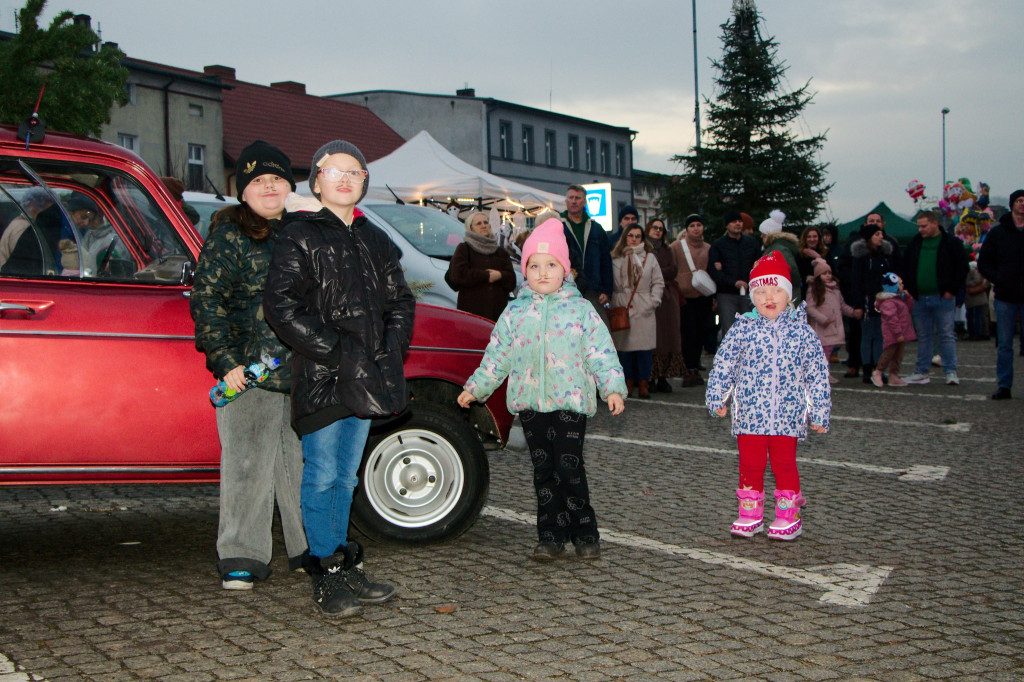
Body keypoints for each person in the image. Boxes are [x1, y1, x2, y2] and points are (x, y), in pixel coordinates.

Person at [264, 140, 414, 618]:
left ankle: (345, 566)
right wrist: (339, 352)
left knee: (346, 477)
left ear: (364, 182)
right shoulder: (300, 235)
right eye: (335, 170)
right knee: (323, 474)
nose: (346, 178)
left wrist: (387, 351)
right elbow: (281, 306)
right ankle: (326, 573)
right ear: (317, 181)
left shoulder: (376, 239)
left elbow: (400, 302)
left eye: (355, 171)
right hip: (325, 376)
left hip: (367, 378)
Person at [457, 218, 626, 561]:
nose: (543, 272)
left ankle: (584, 532)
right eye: (534, 265)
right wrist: (476, 388)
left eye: (551, 265)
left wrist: (611, 388)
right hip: (531, 403)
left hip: (570, 402)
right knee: (543, 473)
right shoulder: (515, 312)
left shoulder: (581, 311)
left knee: (569, 468)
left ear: (565, 270)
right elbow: (497, 355)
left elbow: (601, 352)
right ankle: (550, 536)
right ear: (525, 270)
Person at [190, 141, 308, 591]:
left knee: (299, 464)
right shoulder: (229, 234)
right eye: (258, 180)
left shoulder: (303, 231)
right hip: (249, 373)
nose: (269, 186)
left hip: (299, 371)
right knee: (245, 465)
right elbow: (208, 302)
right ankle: (242, 554)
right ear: (242, 190)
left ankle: (308, 549)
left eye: (277, 178)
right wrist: (225, 362)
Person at [705, 251, 831, 541]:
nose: (768, 297)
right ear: (752, 296)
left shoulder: (802, 333)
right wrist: (717, 398)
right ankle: (751, 513)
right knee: (750, 464)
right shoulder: (742, 329)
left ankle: (790, 515)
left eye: (776, 290)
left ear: (788, 295)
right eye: (760, 291)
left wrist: (819, 411)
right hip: (750, 415)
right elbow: (724, 365)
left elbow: (816, 374)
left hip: (787, 415)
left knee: (784, 464)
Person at [901, 210, 969, 386]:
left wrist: (952, 290)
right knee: (924, 335)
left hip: (943, 296)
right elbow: (906, 266)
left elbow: (962, 267)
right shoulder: (916, 243)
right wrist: (909, 288)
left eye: (924, 226)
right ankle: (921, 371)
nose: (921, 229)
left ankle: (950, 371)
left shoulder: (951, 243)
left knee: (946, 333)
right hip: (920, 297)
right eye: (919, 226)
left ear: (934, 223)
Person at [977, 188, 1024, 399]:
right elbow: (983, 262)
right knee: (1004, 344)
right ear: (1013, 204)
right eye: (1020, 201)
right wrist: (999, 278)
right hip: (1005, 295)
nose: (1023, 204)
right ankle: (1004, 386)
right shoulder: (998, 233)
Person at [610, 223, 664, 399]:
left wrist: (653, 301)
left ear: (643, 238)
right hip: (622, 305)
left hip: (643, 305)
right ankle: (627, 382)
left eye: (637, 236)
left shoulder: (650, 258)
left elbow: (658, 282)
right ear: (625, 237)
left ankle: (643, 383)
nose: (634, 239)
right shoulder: (615, 258)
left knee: (644, 350)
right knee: (623, 349)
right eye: (630, 235)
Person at [559, 184, 614, 327]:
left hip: (593, 290)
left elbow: (606, 261)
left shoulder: (596, 228)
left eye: (577, 198)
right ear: (566, 201)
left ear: (584, 202)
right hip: (566, 290)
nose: (574, 201)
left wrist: (607, 290)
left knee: (598, 331)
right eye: (571, 197)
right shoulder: (558, 225)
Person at [447, 211, 516, 322]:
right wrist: (486, 275)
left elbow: (512, 281)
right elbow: (458, 275)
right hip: (472, 315)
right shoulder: (464, 249)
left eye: (485, 222)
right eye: (478, 223)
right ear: (471, 228)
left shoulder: (500, 252)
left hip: (497, 316)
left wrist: (499, 275)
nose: (483, 225)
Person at [671, 214, 714, 387]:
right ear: (686, 229)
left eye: (699, 225)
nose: (696, 228)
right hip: (684, 297)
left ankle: (695, 367)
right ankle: (687, 369)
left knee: (701, 333)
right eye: (692, 226)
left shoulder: (709, 248)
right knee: (687, 334)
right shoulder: (676, 247)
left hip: (703, 296)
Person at [850, 222, 895, 384]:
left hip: (884, 300)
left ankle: (879, 368)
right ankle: (867, 368)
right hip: (868, 301)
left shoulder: (886, 256)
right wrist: (858, 305)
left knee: (880, 335)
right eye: (877, 235)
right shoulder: (861, 257)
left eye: (881, 234)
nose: (881, 237)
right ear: (869, 238)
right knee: (868, 335)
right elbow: (856, 282)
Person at [804, 258, 859, 385]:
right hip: (823, 327)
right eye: (824, 273)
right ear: (818, 276)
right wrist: (823, 319)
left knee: (826, 352)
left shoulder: (835, 289)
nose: (828, 276)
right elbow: (809, 307)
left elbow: (842, 305)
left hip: (832, 326)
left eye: (829, 273)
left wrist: (852, 312)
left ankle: (823, 374)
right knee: (823, 352)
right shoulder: (814, 289)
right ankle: (822, 374)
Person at [708, 210, 760, 338]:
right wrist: (733, 282)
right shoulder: (718, 245)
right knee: (730, 330)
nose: (737, 224)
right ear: (727, 225)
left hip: (749, 293)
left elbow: (759, 265)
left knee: (750, 329)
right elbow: (713, 270)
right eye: (733, 221)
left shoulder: (752, 243)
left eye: (739, 221)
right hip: (727, 294)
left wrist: (750, 282)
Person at [645, 218, 683, 392]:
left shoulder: (668, 249)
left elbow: (673, 269)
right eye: (655, 228)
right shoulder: (644, 248)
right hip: (649, 296)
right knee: (652, 338)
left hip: (668, 299)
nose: (658, 231)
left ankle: (663, 377)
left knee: (669, 338)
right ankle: (650, 377)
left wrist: (657, 271)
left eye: (661, 228)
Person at [872, 272, 916, 387]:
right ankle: (878, 372)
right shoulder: (888, 302)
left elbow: (909, 307)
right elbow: (892, 320)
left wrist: (907, 297)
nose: (902, 287)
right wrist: (898, 333)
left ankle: (894, 375)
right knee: (889, 353)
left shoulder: (899, 299)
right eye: (900, 284)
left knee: (898, 355)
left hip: (901, 333)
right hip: (893, 334)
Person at [0, 188, 53, 268]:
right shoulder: (24, 228)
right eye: (48, 211)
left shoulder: (20, 223)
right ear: (35, 209)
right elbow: (23, 261)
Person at [758, 210, 802, 304]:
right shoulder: (774, 247)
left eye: (763, 233)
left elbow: (791, 272)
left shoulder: (779, 249)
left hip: (785, 296)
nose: (761, 236)